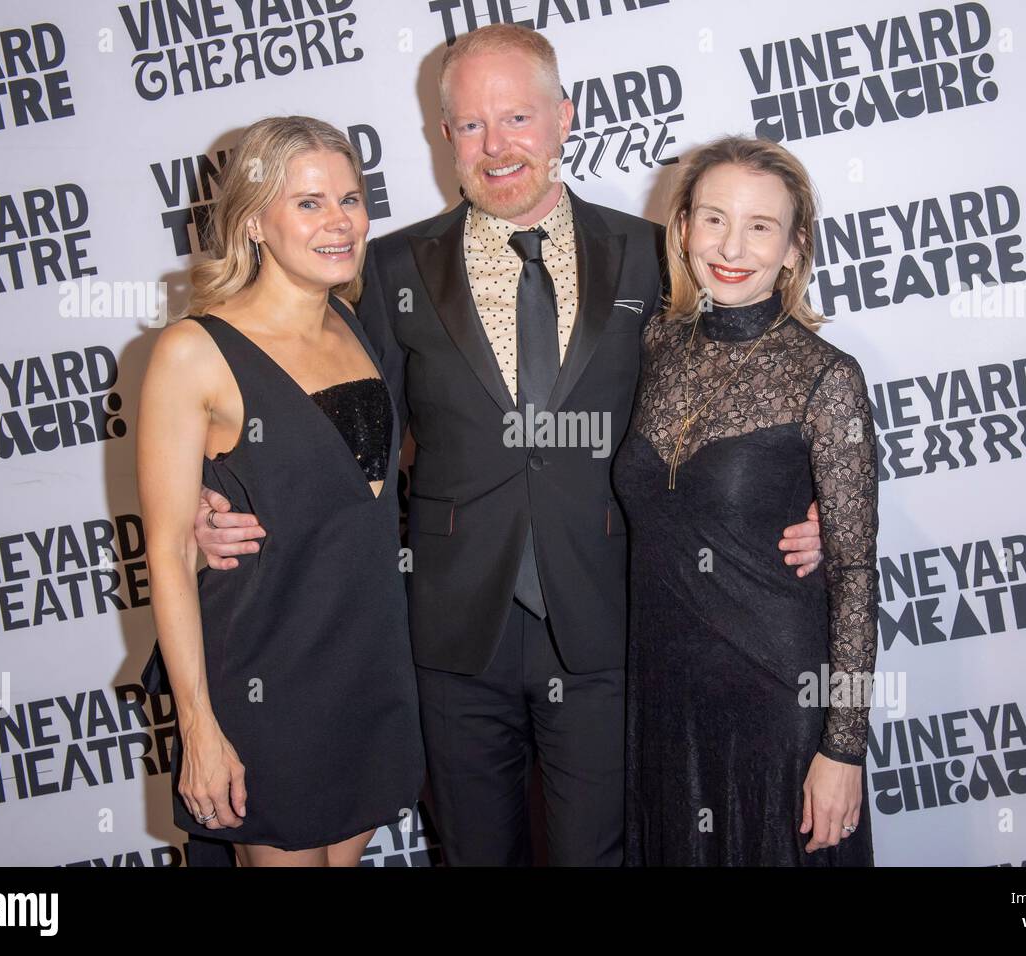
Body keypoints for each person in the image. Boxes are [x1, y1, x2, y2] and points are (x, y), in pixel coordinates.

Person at [193, 26, 823, 866]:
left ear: (565, 117)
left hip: (610, 621)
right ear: (443, 135)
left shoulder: (654, 258)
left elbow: (730, 395)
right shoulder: (387, 269)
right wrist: (218, 501)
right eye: (471, 126)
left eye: (519, 118)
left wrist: (791, 505)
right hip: (450, 635)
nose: (497, 147)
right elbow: (327, 423)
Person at [136, 116, 424, 867]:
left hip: (366, 664)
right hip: (265, 674)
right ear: (254, 221)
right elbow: (166, 554)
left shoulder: (354, 326)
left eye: (351, 199)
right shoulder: (192, 351)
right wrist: (198, 725)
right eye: (308, 202)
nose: (339, 222)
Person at [613, 136, 879, 866]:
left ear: (795, 248)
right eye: (713, 219)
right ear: (683, 229)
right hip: (666, 697)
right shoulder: (656, 344)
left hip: (775, 697)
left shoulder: (827, 378)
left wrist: (842, 749)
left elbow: (856, 577)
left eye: (761, 226)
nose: (732, 245)